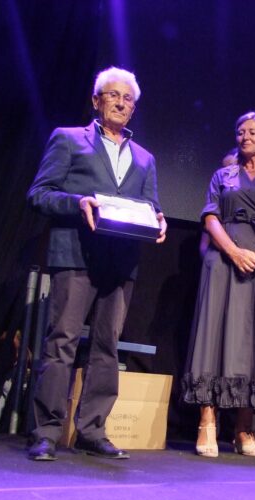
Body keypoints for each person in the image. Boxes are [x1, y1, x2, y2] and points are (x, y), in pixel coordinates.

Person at [26, 66, 167, 461]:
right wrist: (78, 202)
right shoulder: (69, 139)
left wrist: (158, 221)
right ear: (96, 100)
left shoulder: (145, 159)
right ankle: (47, 432)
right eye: (113, 95)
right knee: (62, 342)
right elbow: (39, 193)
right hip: (75, 256)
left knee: (107, 347)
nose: (121, 103)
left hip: (121, 264)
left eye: (128, 99)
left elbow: (151, 205)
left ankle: (92, 431)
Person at [183, 111, 255, 458]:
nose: (245, 136)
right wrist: (234, 252)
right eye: (240, 132)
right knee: (213, 335)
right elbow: (211, 217)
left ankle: (244, 429)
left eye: (252, 132)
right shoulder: (223, 175)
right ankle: (207, 422)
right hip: (224, 260)